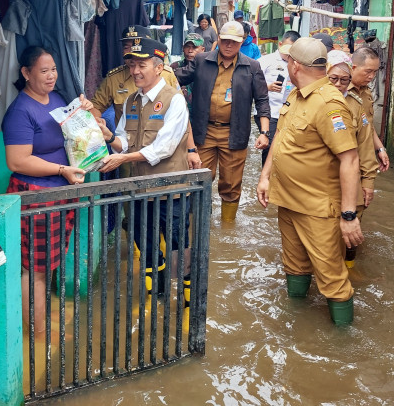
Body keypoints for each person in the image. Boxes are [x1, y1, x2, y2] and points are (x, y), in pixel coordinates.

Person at [256, 37, 361, 325]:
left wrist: (349, 214)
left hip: (318, 208)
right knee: (294, 265)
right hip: (287, 200)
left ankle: (343, 343)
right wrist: (265, 176)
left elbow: (350, 160)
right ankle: (295, 324)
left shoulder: (329, 104)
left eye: (288, 60)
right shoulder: (295, 94)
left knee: (332, 278)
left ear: (295, 65)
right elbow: (280, 137)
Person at [1, 46, 91, 327]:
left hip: (58, 193)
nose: (51, 75)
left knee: (49, 262)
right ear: (26, 73)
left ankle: (41, 316)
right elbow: (17, 161)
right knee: (34, 269)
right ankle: (37, 331)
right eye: (43, 70)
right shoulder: (20, 111)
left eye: (53, 69)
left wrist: (85, 112)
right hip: (36, 196)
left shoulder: (56, 98)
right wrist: (63, 169)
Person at [98, 37, 191, 300]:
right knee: (146, 247)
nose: (135, 71)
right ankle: (157, 298)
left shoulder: (174, 100)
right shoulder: (131, 102)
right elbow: (123, 142)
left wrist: (123, 160)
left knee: (178, 249)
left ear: (159, 67)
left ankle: (186, 306)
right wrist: (108, 138)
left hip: (170, 191)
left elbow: (165, 147)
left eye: (142, 65)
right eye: (132, 65)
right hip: (139, 191)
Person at [175, 20, 271, 221]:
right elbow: (179, 77)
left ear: (242, 42)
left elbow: (262, 100)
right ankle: (200, 226)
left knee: (231, 184)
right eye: (225, 40)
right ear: (218, 39)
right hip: (204, 132)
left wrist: (264, 132)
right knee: (200, 179)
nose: (229, 45)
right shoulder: (202, 60)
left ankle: (228, 227)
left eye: (234, 42)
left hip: (234, 133)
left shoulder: (251, 67)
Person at [326, 50, 378, 269]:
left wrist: (368, 181)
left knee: (352, 228)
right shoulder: (312, 102)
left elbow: (366, 146)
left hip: (351, 179)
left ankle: (348, 270)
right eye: (333, 79)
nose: (338, 84)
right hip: (321, 181)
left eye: (344, 80)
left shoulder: (356, 105)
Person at [92, 24, 179, 127]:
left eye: (136, 46)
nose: (131, 51)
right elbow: (96, 108)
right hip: (126, 140)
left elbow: (180, 114)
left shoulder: (165, 74)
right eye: (126, 47)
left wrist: (190, 143)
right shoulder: (114, 78)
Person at [258, 30, 300, 166]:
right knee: (270, 145)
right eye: (286, 48)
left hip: (290, 111)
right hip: (269, 111)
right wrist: (268, 87)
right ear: (280, 44)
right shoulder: (265, 61)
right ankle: (266, 176)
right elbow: (251, 84)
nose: (288, 53)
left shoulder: (298, 64)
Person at [350, 47, 390, 172]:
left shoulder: (366, 92)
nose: (372, 76)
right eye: (368, 71)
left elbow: (368, 125)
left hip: (364, 159)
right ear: (353, 67)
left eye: (375, 72)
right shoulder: (341, 92)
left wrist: (380, 149)